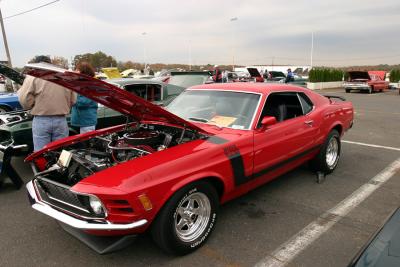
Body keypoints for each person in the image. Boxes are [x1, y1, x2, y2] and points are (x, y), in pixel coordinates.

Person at [18, 55, 76, 151]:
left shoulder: (33, 77)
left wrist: (32, 105)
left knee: (41, 153)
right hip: (61, 120)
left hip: (42, 119)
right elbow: (73, 100)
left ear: (37, 64)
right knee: (60, 152)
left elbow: (24, 99)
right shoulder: (64, 77)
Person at [71, 62, 98, 134]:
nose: (75, 71)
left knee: (86, 143)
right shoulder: (81, 84)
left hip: (87, 122)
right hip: (81, 121)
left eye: (77, 69)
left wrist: (70, 99)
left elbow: (83, 102)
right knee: (82, 144)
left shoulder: (90, 85)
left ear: (83, 72)